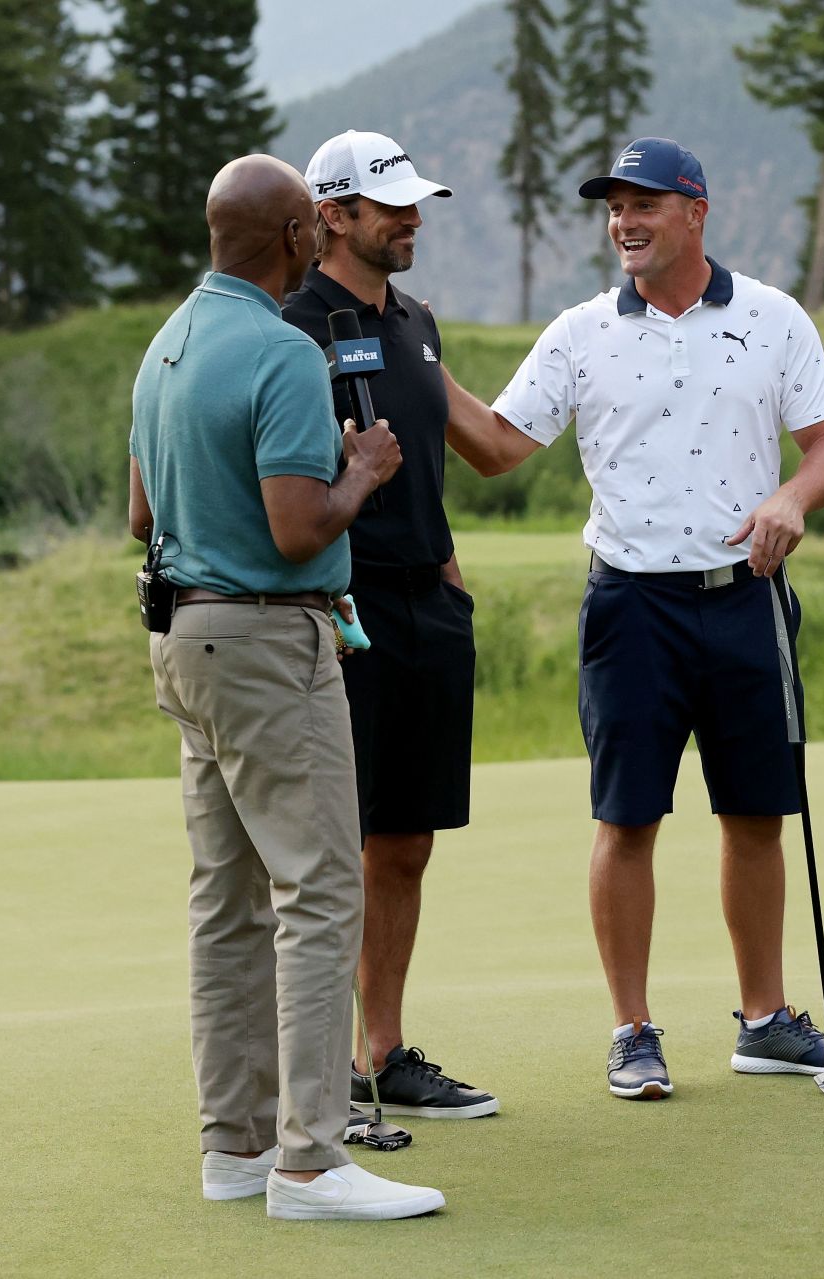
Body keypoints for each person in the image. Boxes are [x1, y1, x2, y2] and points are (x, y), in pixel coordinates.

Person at [438, 137, 824, 1099]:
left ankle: (764, 1021)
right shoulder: (580, 332)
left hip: (746, 597)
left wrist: (794, 498)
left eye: (642, 205)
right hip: (631, 603)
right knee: (626, 817)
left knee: (756, 814)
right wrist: (416, 362)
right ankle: (632, 1029)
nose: (623, 223)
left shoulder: (771, 317)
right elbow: (500, 447)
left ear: (695, 211)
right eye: (613, 208)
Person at [127, 153, 444, 1218]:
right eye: (310, 223)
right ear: (290, 239)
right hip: (269, 639)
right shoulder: (279, 349)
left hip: (182, 638)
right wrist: (365, 471)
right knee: (316, 891)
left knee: (226, 900)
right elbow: (297, 525)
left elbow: (140, 517)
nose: (319, 235)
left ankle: (235, 1148)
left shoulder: (165, 343)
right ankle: (309, 1158)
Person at [280, 130, 497, 1121]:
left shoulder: (417, 322)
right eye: (389, 205)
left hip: (425, 605)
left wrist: (448, 576)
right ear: (332, 215)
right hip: (336, 609)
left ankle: (381, 1051)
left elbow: (459, 455)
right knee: (333, 846)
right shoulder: (293, 328)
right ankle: (316, 1069)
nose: (411, 218)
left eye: (416, 203)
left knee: (407, 837)